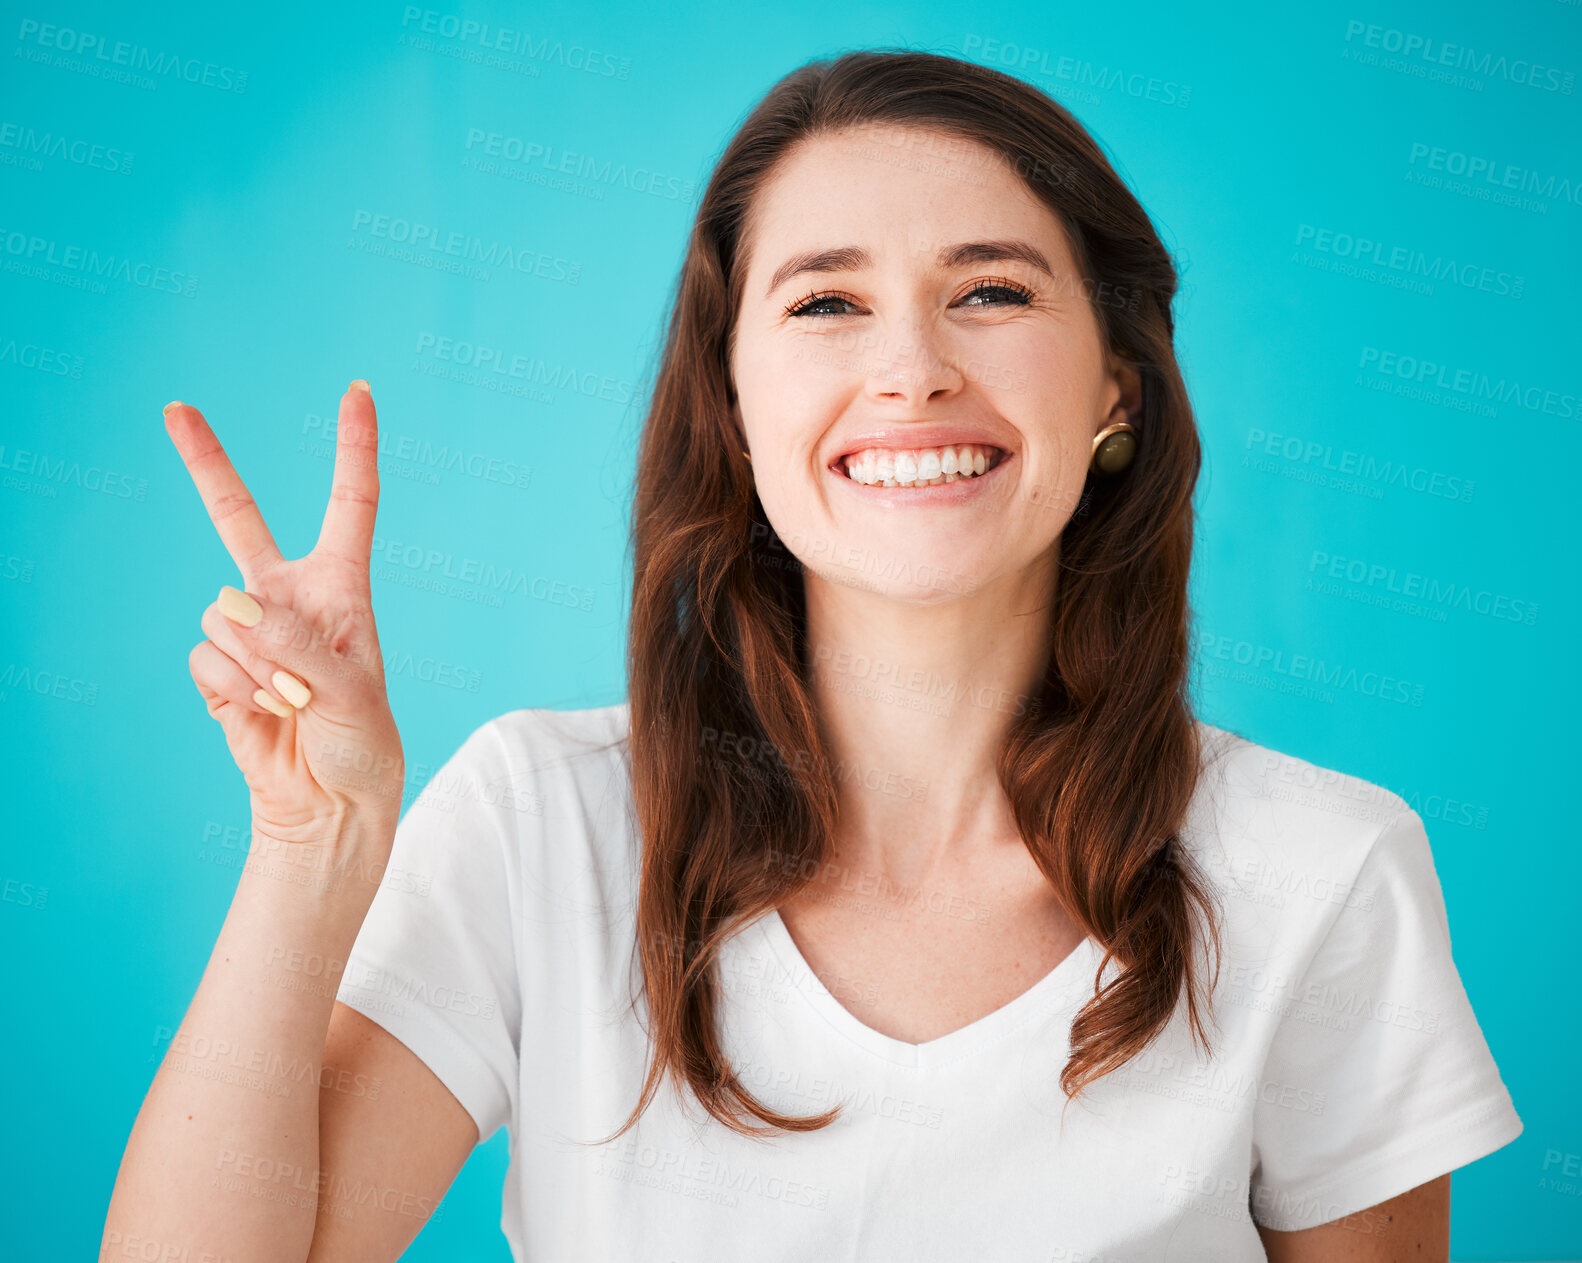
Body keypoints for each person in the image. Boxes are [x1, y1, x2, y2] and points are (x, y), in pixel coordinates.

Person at [102, 49, 1521, 1262]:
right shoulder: (541, 821)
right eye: (824, 303)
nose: (908, 369)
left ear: (1115, 388)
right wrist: (313, 847)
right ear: (730, 402)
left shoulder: (1318, 868)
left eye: (991, 292)